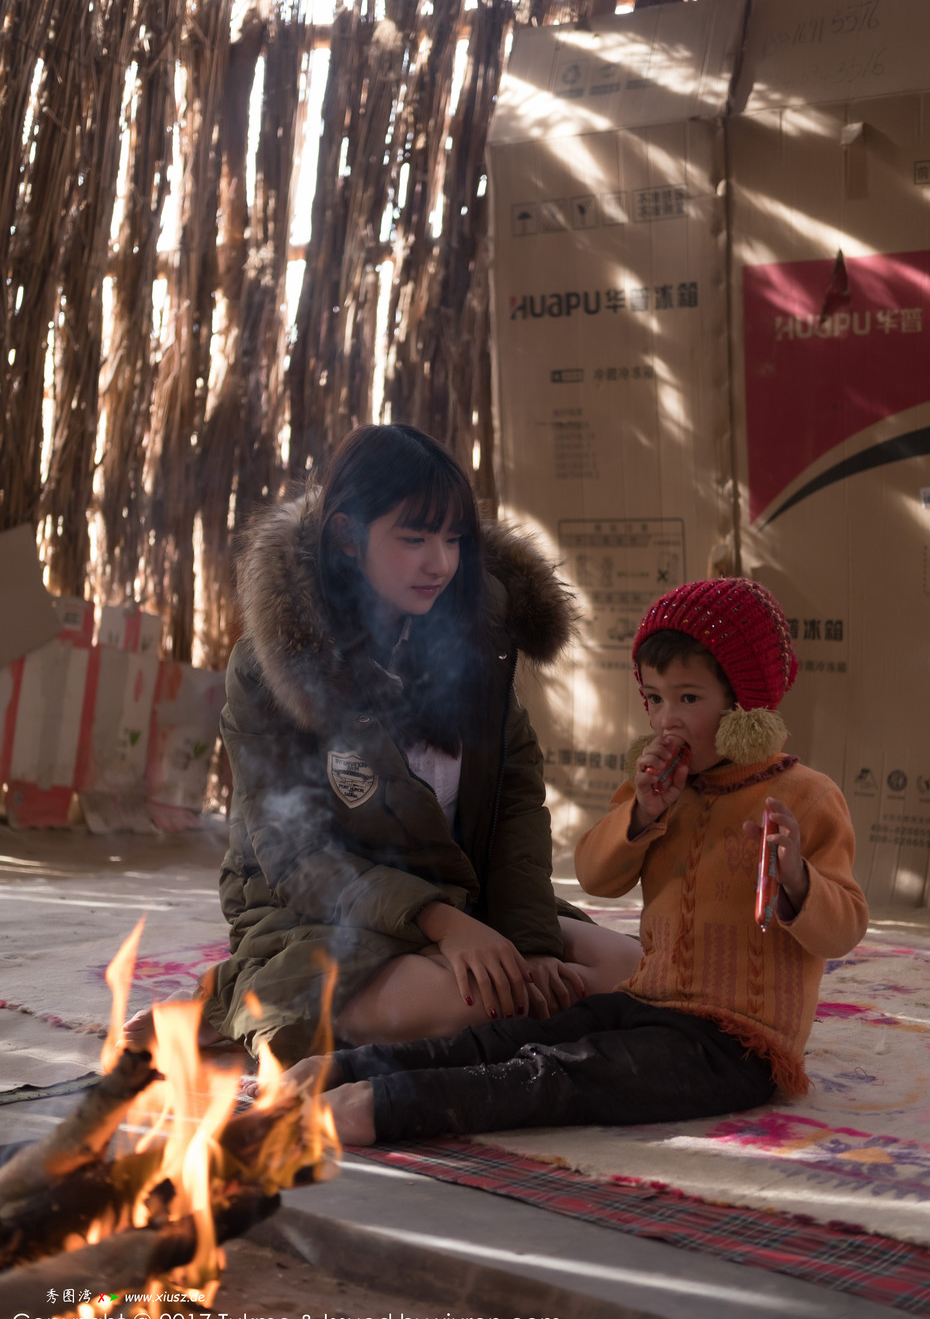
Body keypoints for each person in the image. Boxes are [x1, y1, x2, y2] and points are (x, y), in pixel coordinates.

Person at [270, 577, 869, 1146]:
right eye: (655, 699)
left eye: (689, 698)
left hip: (736, 1045)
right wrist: (641, 816)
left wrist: (797, 881)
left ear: (744, 702)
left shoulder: (807, 798)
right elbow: (596, 877)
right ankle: (349, 1069)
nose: (668, 719)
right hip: (651, 1003)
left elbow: (843, 930)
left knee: (564, 1074)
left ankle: (384, 1106)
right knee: (518, 1035)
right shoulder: (662, 787)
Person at [190, 423, 639, 1064]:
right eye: (415, 538)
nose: (441, 564)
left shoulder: (478, 642)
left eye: (454, 539)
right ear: (347, 536)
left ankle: (464, 989)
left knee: (636, 970)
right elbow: (297, 858)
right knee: (471, 1004)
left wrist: (531, 943)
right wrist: (442, 925)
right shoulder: (273, 668)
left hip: (464, 898)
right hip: (319, 918)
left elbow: (515, 804)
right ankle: (238, 999)